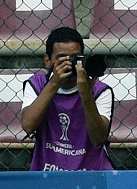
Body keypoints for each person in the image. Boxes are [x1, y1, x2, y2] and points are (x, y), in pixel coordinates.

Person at [20, 26, 114, 171]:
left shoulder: (100, 90)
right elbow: (28, 125)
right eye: (61, 59)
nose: (69, 64)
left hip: (91, 172)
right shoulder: (37, 84)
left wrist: (86, 95)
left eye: (74, 58)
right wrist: (54, 83)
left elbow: (98, 139)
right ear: (47, 60)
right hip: (47, 170)